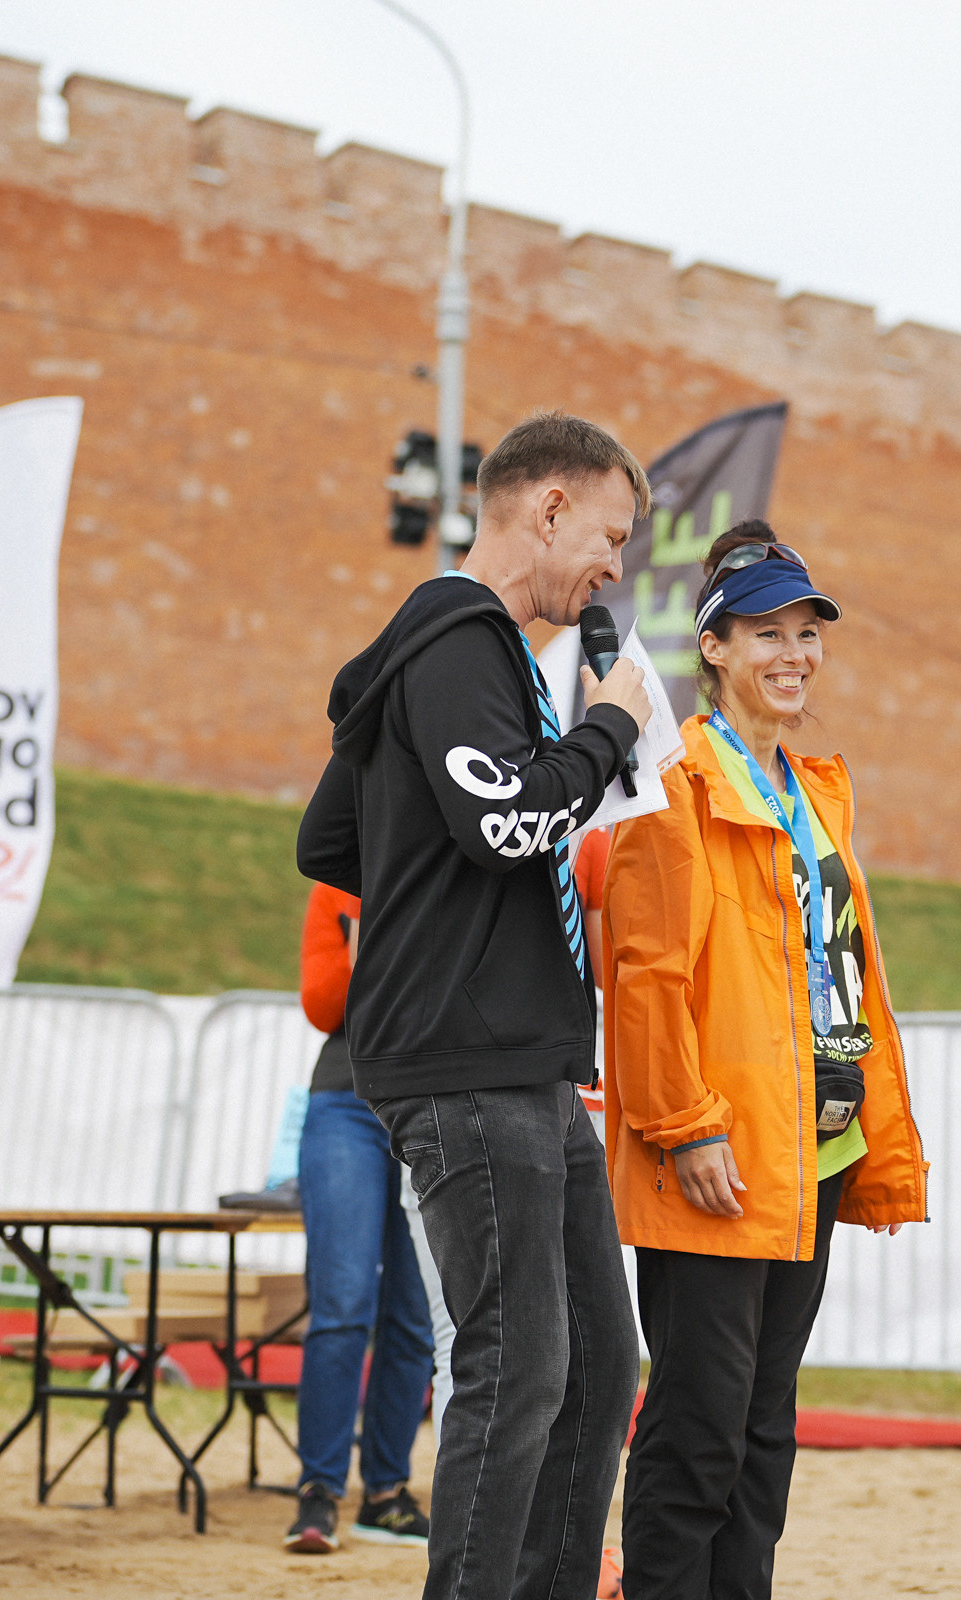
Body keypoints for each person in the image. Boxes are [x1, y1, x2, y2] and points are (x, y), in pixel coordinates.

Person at [296, 410, 654, 1600]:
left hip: (524, 1057)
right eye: (608, 534)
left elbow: (328, 838)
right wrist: (610, 728)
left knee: (600, 1359)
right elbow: (504, 819)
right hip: (466, 1058)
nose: (613, 567)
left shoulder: (447, 659)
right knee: (519, 1365)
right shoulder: (457, 635)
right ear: (545, 506)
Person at [604, 524, 930, 1600]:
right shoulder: (679, 782)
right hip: (718, 1152)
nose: (793, 653)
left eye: (807, 633)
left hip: (810, 1157)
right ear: (715, 648)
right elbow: (646, 977)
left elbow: (840, 975)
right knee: (699, 1429)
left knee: (762, 1432)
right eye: (766, 634)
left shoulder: (816, 791)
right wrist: (686, 1124)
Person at [284, 882, 436, 1553]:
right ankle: (317, 1492)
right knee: (342, 1301)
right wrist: (375, 933)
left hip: (432, 1104)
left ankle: (386, 1493)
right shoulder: (339, 886)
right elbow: (323, 1005)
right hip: (344, 1102)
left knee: (413, 1313)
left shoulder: (454, 865)